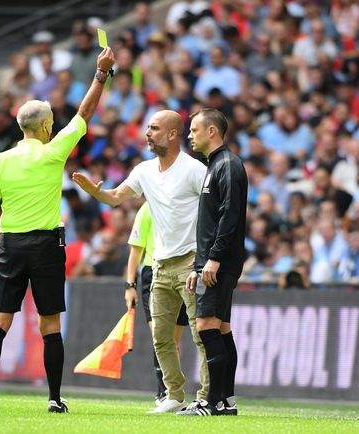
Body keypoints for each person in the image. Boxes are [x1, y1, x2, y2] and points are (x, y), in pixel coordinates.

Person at [0, 47, 116, 413]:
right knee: (50, 324)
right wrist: (100, 74)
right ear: (47, 127)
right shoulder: (53, 153)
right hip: (47, 246)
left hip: (10, 246)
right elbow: (85, 113)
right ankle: (53, 398)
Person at [72, 109, 208, 414]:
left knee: (200, 334)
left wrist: (207, 257)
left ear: (173, 134)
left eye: (155, 128)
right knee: (161, 337)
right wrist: (96, 192)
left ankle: (206, 396)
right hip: (160, 265)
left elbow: (215, 208)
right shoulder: (144, 170)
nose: (147, 133)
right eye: (147, 127)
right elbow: (116, 197)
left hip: (190, 262)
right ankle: (174, 395)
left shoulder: (194, 169)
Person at [179, 108, 247, 416]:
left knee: (206, 326)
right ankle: (226, 401)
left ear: (212, 132)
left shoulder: (229, 165)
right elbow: (209, 223)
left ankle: (211, 401)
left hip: (220, 262)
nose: (189, 135)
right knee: (220, 329)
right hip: (209, 261)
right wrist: (199, 262)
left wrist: (214, 259)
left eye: (194, 130)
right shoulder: (213, 166)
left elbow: (229, 216)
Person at [125, 201, 189, 405]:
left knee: (173, 341)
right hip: (153, 273)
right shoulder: (147, 209)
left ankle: (173, 391)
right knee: (160, 335)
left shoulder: (184, 204)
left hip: (181, 271)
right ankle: (164, 393)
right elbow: (136, 250)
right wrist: (130, 285)